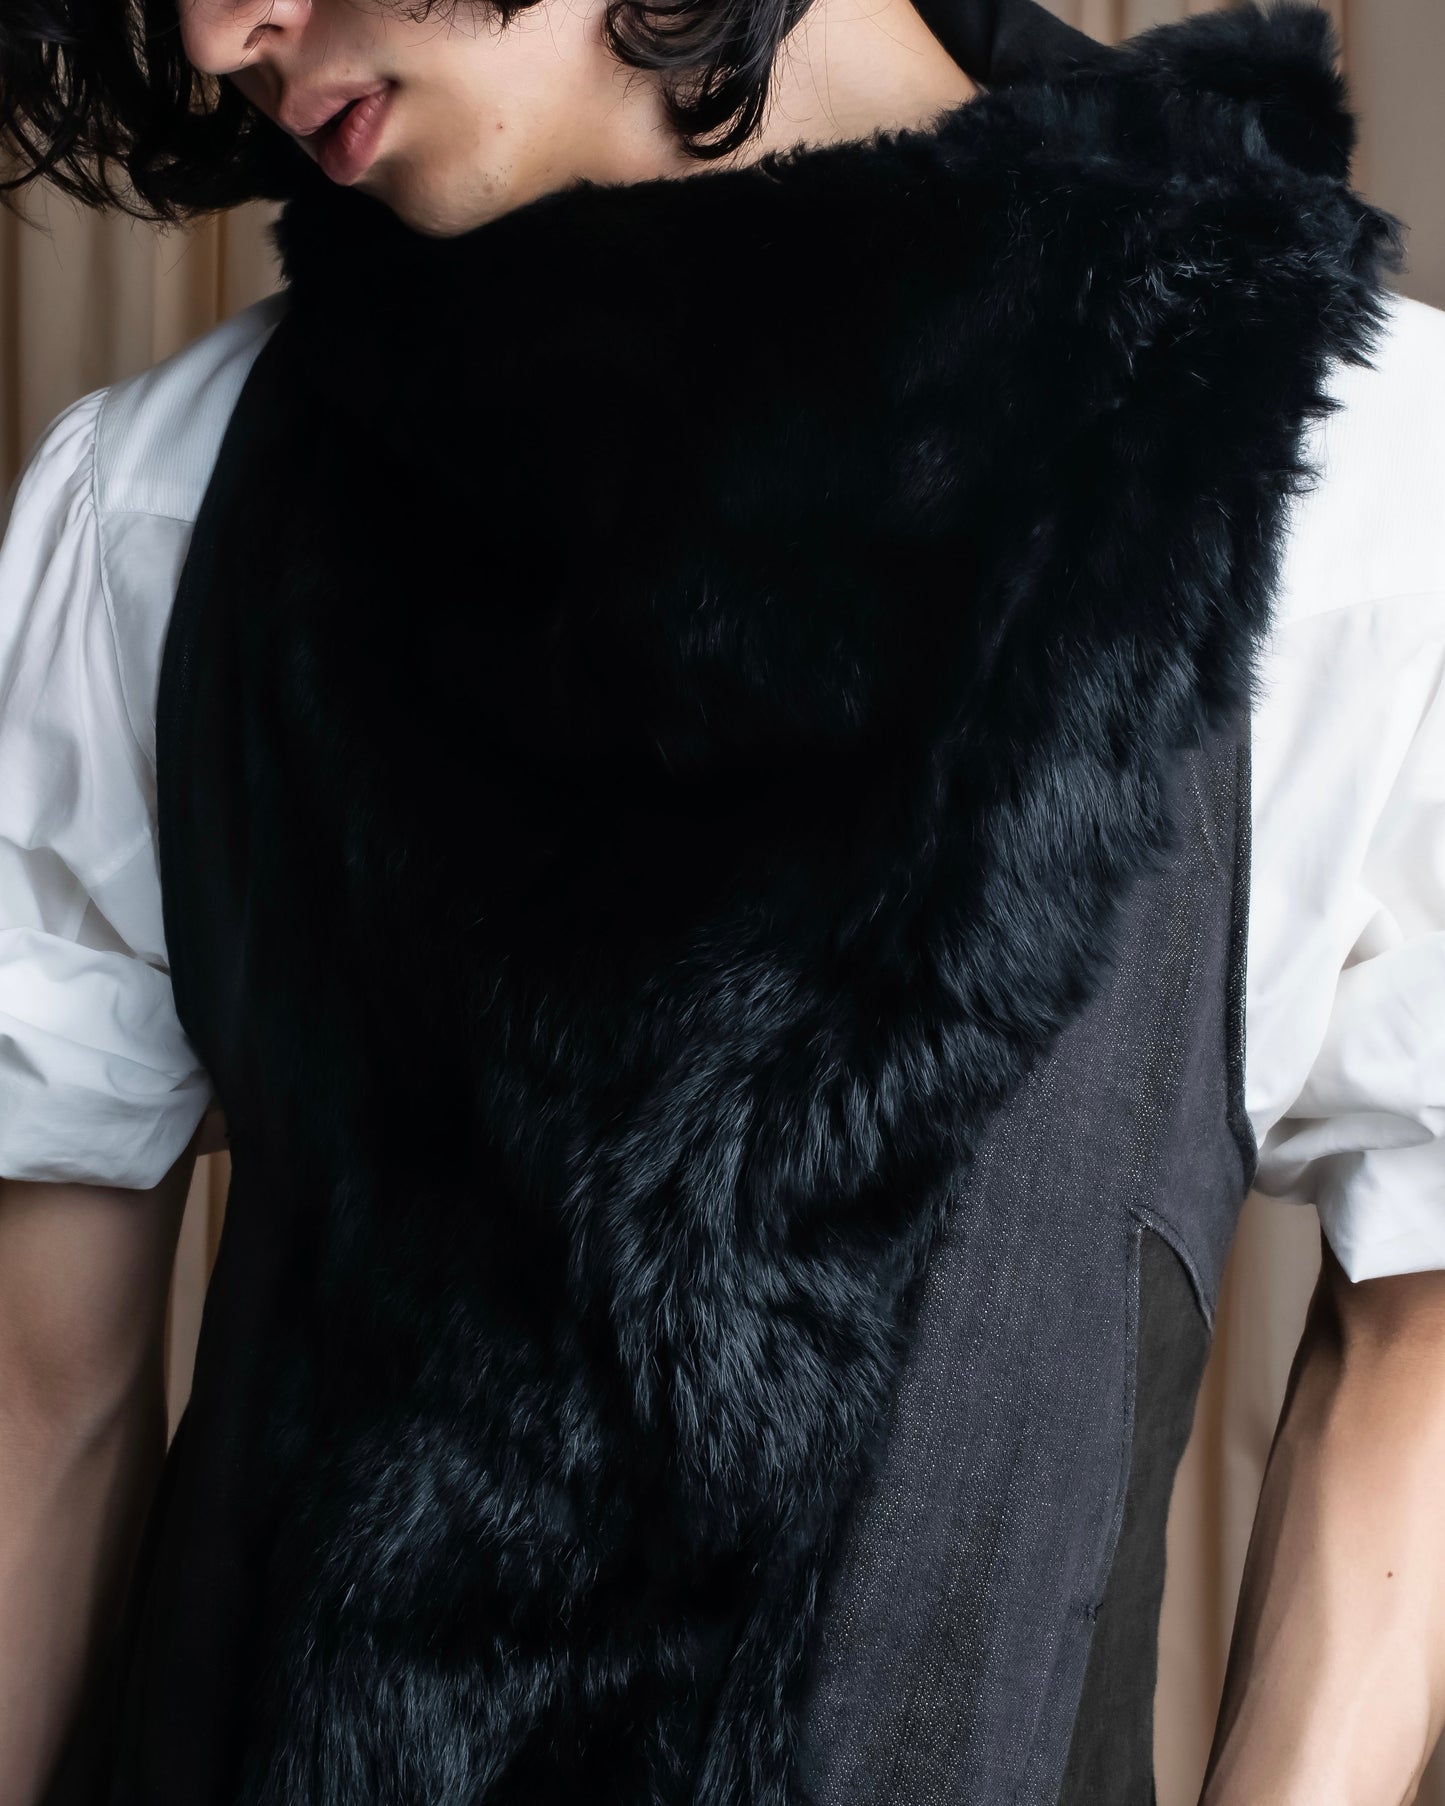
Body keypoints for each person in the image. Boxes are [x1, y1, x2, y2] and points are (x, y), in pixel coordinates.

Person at [0, 0, 1442, 1801]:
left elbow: (1419, 1328)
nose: (223, 31)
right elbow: (40, 1405)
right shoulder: (160, 504)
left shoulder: (1342, 484)